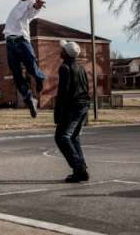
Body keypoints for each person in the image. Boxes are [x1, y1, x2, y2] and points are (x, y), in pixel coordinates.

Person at [3, 0, 47, 118]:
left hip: (22, 41)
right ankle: (29, 100)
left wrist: (37, 5)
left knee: (31, 67)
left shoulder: (29, 4)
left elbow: (34, 7)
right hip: (10, 43)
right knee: (16, 75)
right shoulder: (20, 1)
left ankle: (39, 77)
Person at [54, 40, 90, 183]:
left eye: (62, 49)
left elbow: (63, 93)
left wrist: (58, 112)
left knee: (61, 137)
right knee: (73, 137)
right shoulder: (81, 68)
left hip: (73, 106)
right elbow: (86, 88)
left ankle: (79, 168)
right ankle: (81, 170)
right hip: (84, 105)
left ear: (66, 54)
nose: (60, 50)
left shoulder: (65, 68)